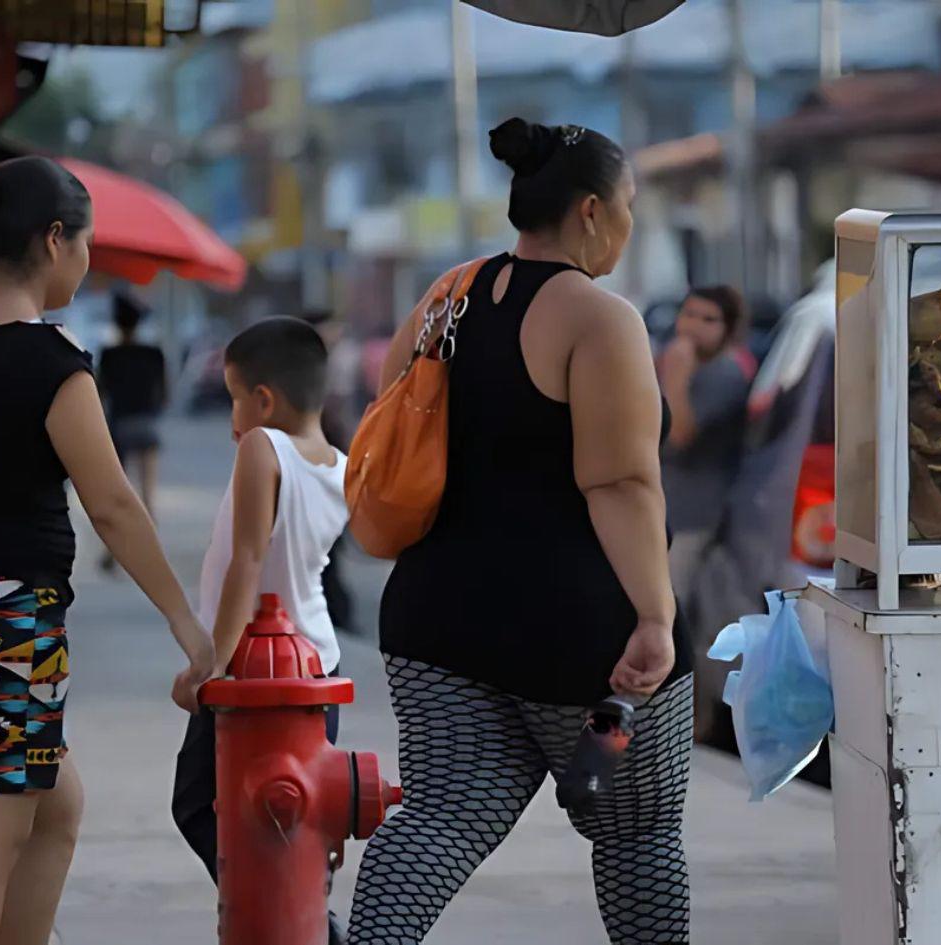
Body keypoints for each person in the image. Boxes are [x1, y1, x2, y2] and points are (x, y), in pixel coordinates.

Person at [346, 118, 693, 945]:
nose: (630, 223)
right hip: (582, 646)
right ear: (589, 211)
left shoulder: (448, 294)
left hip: (438, 625)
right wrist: (655, 616)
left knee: (441, 818)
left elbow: (389, 413)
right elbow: (618, 481)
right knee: (633, 831)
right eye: (629, 205)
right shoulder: (598, 319)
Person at [0, 157, 213, 945]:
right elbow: (115, 507)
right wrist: (189, 626)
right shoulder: (51, 366)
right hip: (5, 631)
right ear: (55, 240)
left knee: (58, 803)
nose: (85, 263)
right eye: (84, 244)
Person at [170, 317, 349, 943]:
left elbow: (249, 559)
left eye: (234, 400)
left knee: (197, 805)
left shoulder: (262, 448)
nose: (232, 421)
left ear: (264, 399)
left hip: (255, 674)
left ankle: (305, 920)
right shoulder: (340, 465)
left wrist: (209, 667)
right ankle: (302, 914)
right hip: (315, 669)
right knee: (281, 819)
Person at [658, 286, 751, 604]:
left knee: (671, 599)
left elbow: (680, 435)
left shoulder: (725, 374)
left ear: (728, 328)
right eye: (689, 314)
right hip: (670, 505)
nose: (694, 325)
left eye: (708, 319)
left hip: (694, 513)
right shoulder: (689, 364)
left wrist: (674, 377)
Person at [96, 291, 168, 571]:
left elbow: (100, 392)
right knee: (148, 496)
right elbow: (164, 394)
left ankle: (112, 553)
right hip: (148, 426)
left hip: (119, 428)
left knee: (118, 499)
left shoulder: (109, 354)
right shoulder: (154, 353)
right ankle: (151, 555)